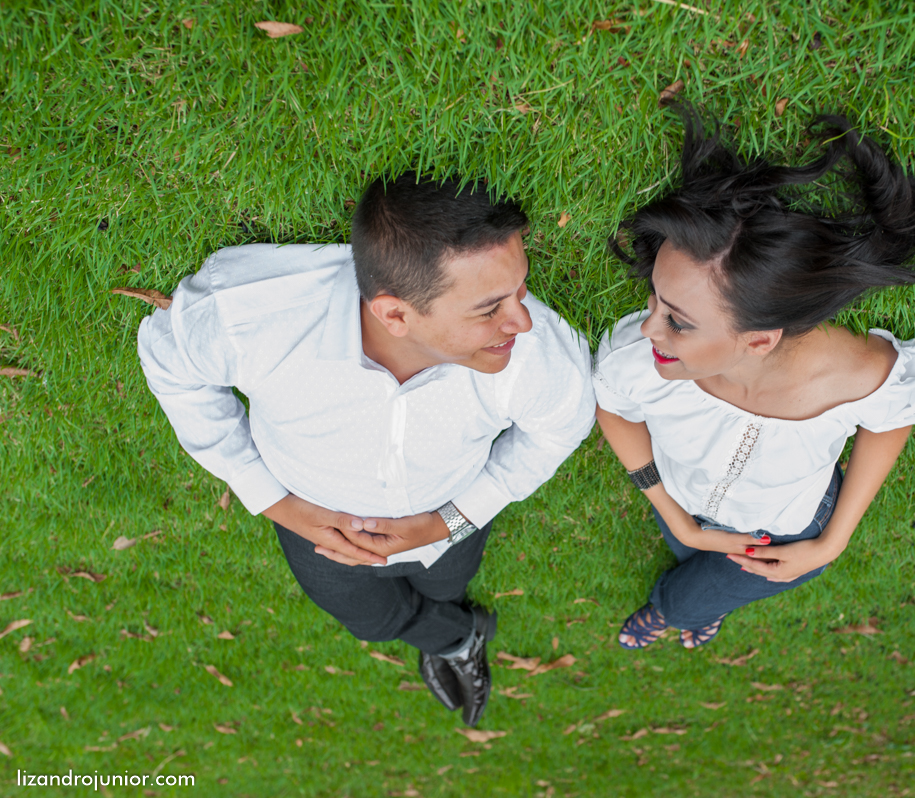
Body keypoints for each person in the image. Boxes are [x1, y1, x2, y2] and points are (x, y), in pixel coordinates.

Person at [593, 107, 915, 650]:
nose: (647, 328)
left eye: (677, 321)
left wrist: (830, 544)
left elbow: (894, 419)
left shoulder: (854, 371)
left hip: (783, 531)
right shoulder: (640, 360)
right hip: (680, 498)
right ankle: (704, 590)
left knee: (688, 602)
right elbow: (614, 408)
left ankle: (676, 612)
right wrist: (674, 516)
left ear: (760, 340)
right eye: (655, 299)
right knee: (691, 553)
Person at [138, 174, 594, 725]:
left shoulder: (530, 352)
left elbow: (561, 425)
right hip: (315, 525)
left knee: (447, 583)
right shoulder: (253, 316)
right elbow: (171, 361)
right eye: (489, 307)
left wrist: (451, 520)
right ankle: (457, 641)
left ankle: (450, 632)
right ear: (395, 314)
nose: (522, 320)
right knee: (370, 621)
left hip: (448, 514)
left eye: (520, 289)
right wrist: (275, 502)